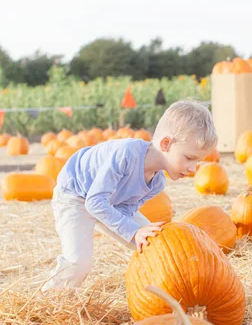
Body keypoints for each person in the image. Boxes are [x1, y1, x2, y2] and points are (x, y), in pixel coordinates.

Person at [42, 100, 217, 292]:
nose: (193, 169)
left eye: (197, 161)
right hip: (76, 195)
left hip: (108, 203)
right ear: (166, 144)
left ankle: (165, 292)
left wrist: (137, 235)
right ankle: (47, 296)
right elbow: (94, 202)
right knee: (79, 264)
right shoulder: (125, 155)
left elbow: (125, 209)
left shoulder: (157, 183)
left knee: (153, 244)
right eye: (190, 158)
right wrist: (133, 232)